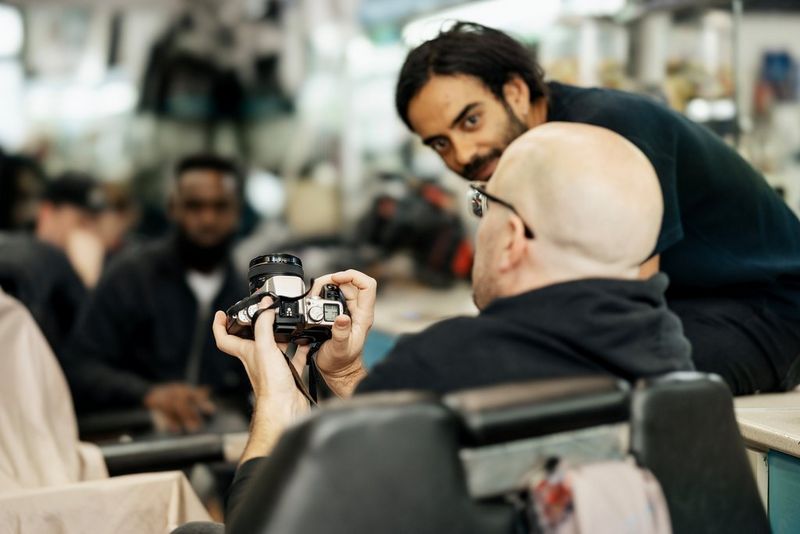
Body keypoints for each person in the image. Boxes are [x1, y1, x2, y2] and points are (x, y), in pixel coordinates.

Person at [212, 124, 694, 527]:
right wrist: (344, 376)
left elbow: (263, 525)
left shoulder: (445, 362)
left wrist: (276, 402)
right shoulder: (670, 357)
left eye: (483, 207)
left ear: (512, 238)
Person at [392, 21, 800, 396]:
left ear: (515, 92)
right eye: (440, 143)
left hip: (768, 310)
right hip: (686, 305)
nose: (462, 154)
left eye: (471, 121)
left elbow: (624, 307)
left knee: (585, 377)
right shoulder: (533, 155)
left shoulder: (605, 132)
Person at [63, 154, 250, 433]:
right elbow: (79, 367)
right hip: (136, 434)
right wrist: (147, 393)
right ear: (173, 208)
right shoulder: (129, 278)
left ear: (237, 213)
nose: (208, 219)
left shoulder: (247, 294)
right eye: (195, 206)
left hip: (218, 443)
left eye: (220, 206)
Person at [0, 173, 107, 355]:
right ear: (47, 213)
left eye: (94, 224)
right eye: (81, 221)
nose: (88, 234)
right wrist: (85, 281)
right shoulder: (21, 259)